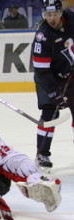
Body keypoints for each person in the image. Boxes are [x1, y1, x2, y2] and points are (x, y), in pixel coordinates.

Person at [32, 0, 74, 172]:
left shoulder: (71, 17)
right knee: (49, 112)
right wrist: (54, 93)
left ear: (60, 12)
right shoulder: (43, 36)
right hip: (48, 77)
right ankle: (42, 153)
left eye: (55, 14)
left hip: (70, 75)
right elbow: (42, 71)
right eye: (48, 15)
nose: (52, 18)